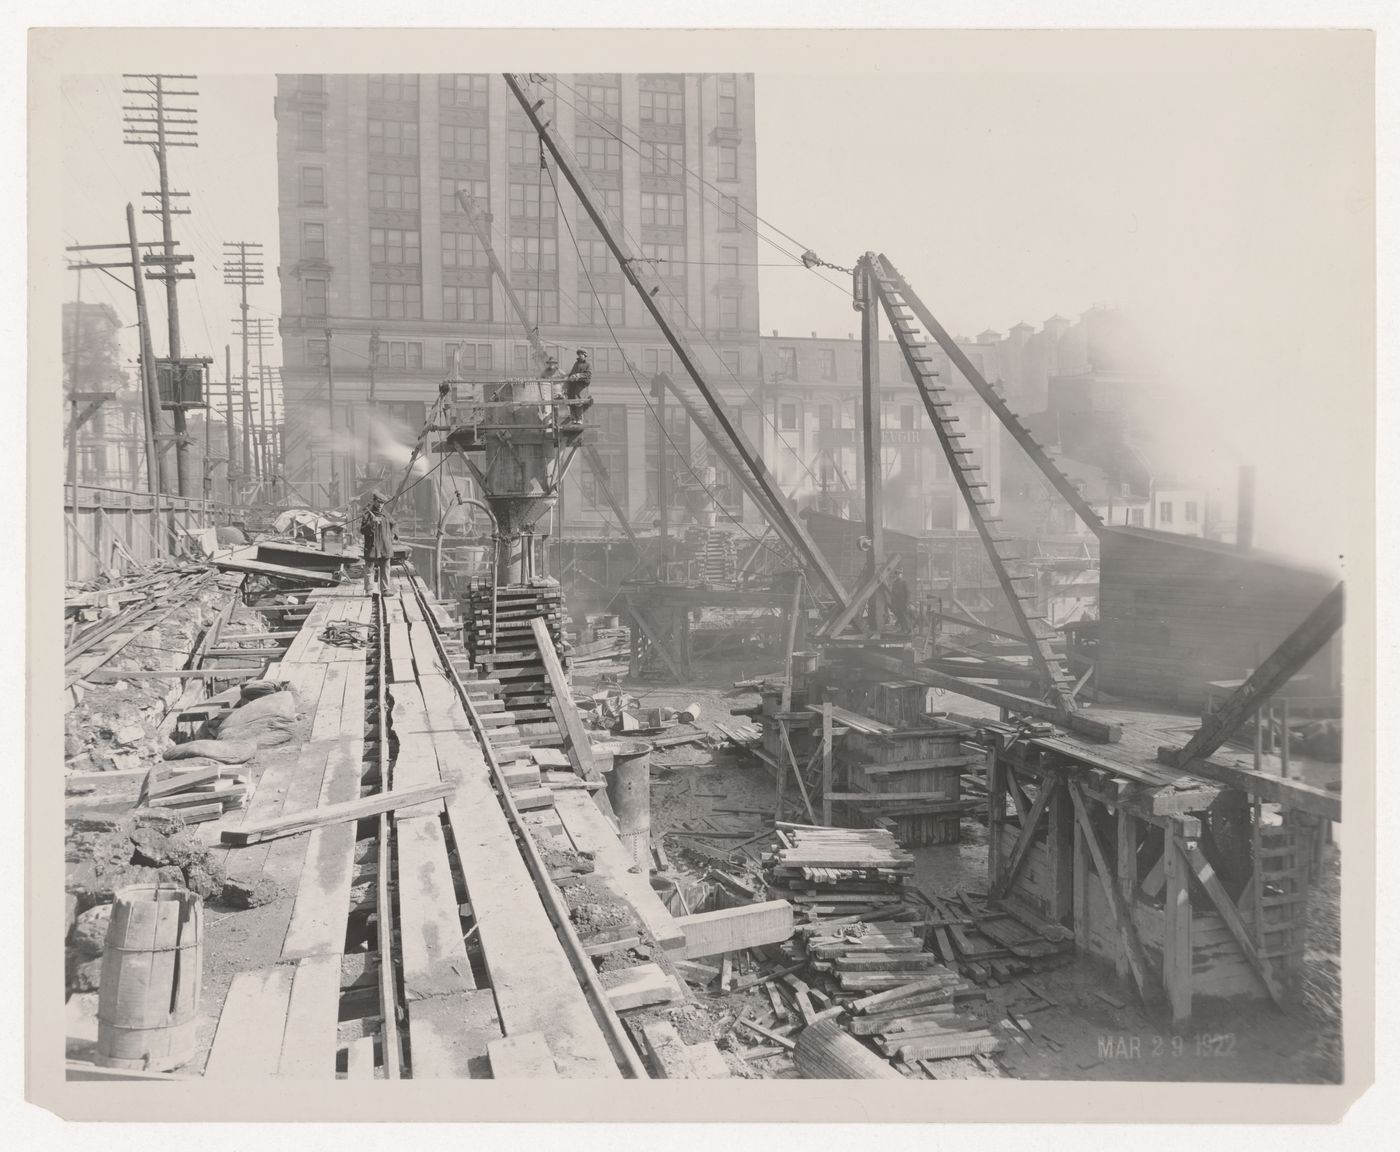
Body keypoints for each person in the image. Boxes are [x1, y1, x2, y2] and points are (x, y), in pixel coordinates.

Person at [360, 492, 395, 595]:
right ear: (374, 501)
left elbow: (394, 524)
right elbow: (362, 530)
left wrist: (392, 536)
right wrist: (371, 524)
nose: (380, 505)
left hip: (384, 545)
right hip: (372, 546)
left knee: (385, 567)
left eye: (382, 503)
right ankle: (369, 590)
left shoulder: (386, 515)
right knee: (369, 568)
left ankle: (385, 589)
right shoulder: (367, 515)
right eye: (378, 502)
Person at [562, 348, 592, 428]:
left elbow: (588, 375)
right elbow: (572, 373)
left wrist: (579, 375)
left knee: (578, 402)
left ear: (585, 355)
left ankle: (579, 419)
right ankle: (574, 419)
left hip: (581, 386)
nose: (580, 355)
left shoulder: (587, 365)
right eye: (579, 354)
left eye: (582, 354)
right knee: (571, 401)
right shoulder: (576, 364)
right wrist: (570, 378)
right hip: (573, 386)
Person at [888, 566, 912, 633]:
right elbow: (892, 594)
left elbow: (908, 593)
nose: (898, 575)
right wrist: (893, 603)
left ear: (901, 574)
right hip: (897, 603)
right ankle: (903, 629)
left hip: (903, 603)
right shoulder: (894, 583)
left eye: (899, 574)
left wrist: (907, 603)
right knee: (900, 616)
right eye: (896, 574)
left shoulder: (904, 582)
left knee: (905, 616)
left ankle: (909, 629)